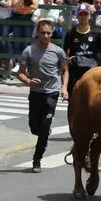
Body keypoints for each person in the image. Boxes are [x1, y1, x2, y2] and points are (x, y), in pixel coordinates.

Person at [17, 18, 68, 174]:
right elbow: (20, 73)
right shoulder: (29, 51)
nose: (46, 36)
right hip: (35, 93)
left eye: (48, 33)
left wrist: (64, 88)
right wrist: (28, 81)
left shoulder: (58, 51)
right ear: (37, 34)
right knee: (34, 127)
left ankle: (37, 159)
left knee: (45, 126)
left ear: (52, 34)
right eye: (43, 33)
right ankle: (42, 132)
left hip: (51, 93)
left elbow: (65, 70)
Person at [64, 3, 101, 94]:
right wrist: (63, 86)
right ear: (77, 16)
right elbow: (66, 57)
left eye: (85, 14)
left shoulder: (97, 34)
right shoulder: (70, 34)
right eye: (81, 14)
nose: (83, 17)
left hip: (92, 73)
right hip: (75, 74)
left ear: (90, 16)